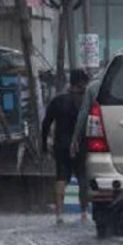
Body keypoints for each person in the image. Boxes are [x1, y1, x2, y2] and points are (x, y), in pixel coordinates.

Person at [41, 69, 90, 224]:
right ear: (81, 83)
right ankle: (83, 213)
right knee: (82, 177)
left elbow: (46, 123)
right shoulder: (85, 102)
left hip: (60, 145)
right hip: (80, 145)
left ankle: (59, 214)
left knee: (61, 177)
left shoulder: (57, 101)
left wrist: (43, 144)